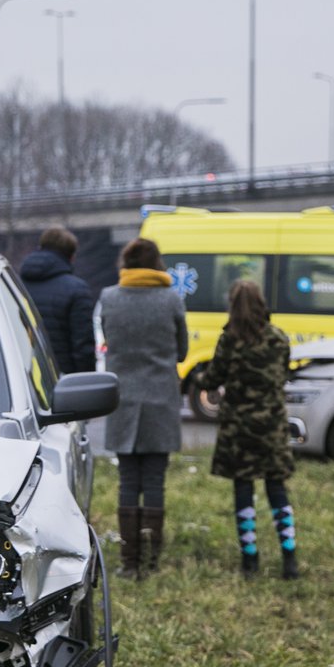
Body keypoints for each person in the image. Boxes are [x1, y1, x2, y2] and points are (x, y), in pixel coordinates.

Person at [98, 236, 188, 577]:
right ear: (157, 263)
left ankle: (128, 562)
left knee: (126, 479)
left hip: (122, 399)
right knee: (154, 481)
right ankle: (151, 563)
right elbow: (180, 351)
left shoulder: (109, 298)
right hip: (161, 400)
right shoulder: (171, 300)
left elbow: (108, 340)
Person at [200, 280, 299, 580]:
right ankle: (289, 558)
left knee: (243, 489)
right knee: (276, 488)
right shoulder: (278, 339)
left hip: (239, 428)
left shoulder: (229, 340)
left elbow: (212, 377)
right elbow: (282, 376)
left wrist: (201, 380)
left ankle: (250, 559)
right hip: (271, 426)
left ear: (232, 304)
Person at [19, 227, 96, 375]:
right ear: (71, 257)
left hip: (24, 375)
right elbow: (83, 347)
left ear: (40, 248)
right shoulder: (77, 289)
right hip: (62, 380)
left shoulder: (14, 284)